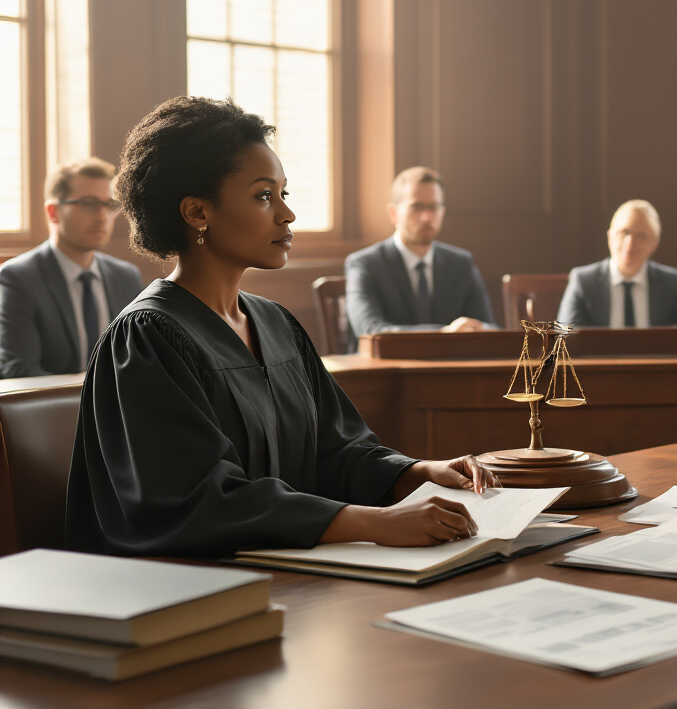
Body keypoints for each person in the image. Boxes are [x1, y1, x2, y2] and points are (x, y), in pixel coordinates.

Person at [65, 98, 497, 558]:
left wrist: (415, 473)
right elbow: (198, 501)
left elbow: (336, 452)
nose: (286, 215)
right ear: (197, 212)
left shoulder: (276, 324)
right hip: (194, 592)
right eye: (263, 196)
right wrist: (377, 522)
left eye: (283, 195)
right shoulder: (147, 338)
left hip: (297, 572)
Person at [0, 158, 143, 378]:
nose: (102, 217)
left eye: (108, 205)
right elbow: (17, 368)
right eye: (88, 203)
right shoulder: (18, 278)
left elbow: (139, 359)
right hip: (55, 411)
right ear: (53, 212)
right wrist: (92, 396)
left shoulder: (126, 276)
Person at [344, 167, 495, 343]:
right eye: (416, 207)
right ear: (393, 213)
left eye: (434, 207)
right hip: (385, 368)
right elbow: (369, 330)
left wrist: (477, 329)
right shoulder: (365, 264)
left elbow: (488, 326)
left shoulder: (462, 263)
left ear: (443, 212)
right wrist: (443, 333)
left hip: (450, 366)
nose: (426, 217)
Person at [557, 199, 677, 328]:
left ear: (654, 243)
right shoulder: (584, 280)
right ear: (610, 237)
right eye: (624, 233)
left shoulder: (670, 282)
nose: (630, 244)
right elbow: (564, 339)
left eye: (641, 236)